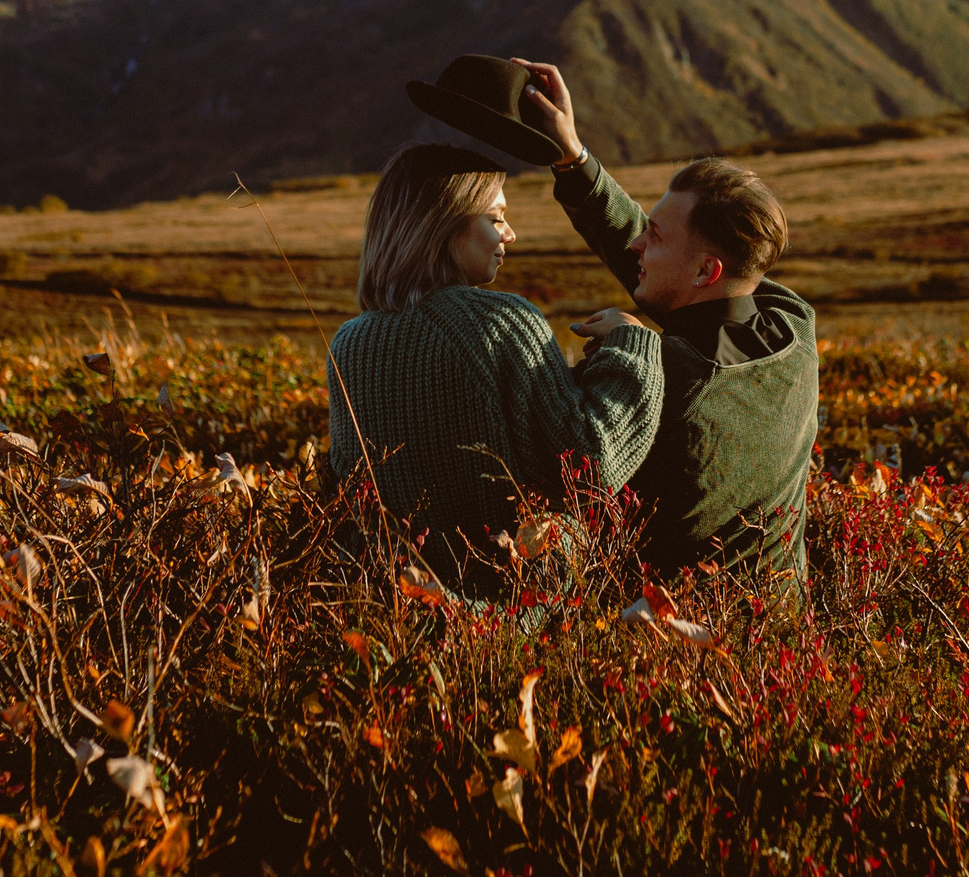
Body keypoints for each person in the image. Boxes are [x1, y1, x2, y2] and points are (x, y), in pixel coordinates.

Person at [512, 59, 819, 586]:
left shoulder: (670, 383)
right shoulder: (793, 324)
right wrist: (573, 159)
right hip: (781, 642)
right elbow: (669, 270)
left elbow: (553, 464)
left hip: (665, 648)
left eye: (654, 235)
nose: (636, 244)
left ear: (706, 270)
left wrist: (633, 347)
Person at [323, 143, 664, 591]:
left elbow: (346, 497)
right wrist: (632, 345)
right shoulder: (504, 323)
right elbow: (587, 467)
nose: (511, 234)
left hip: (390, 608)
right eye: (496, 217)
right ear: (444, 223)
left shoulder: (348, 343)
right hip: (506, 619)